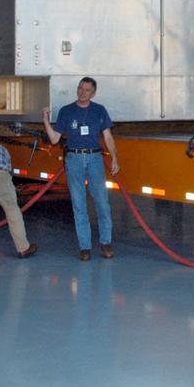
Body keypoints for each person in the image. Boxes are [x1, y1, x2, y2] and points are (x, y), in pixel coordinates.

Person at [43, 77, 119, 261]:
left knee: (102, 201)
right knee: (79, 204)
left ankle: (105, 242)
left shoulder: (99, 111)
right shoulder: (67, 111)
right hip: (74, 159)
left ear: (93, 93)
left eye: (86, 90)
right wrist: (45, 120)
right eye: (80, 88)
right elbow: (54, 139)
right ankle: (85, 246)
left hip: (94, 158)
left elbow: (108, 137)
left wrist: (115, 158)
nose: (82, 92)